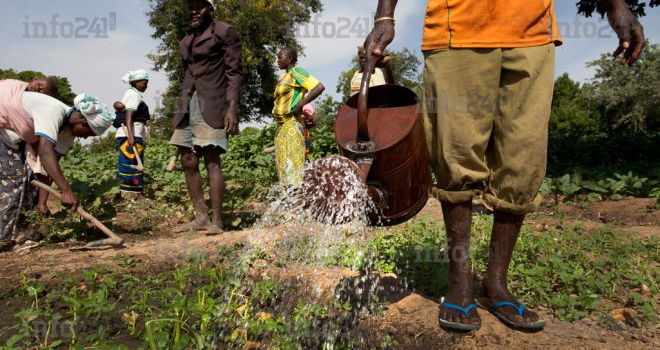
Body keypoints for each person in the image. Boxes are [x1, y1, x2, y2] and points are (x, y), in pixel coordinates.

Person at [363, 0, 644, 331]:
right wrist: (385, 16)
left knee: (524, 158)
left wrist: (616, 4)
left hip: (533, 32)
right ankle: (460, 283)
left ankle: (496, 284)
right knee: (457, 153)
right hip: (457, 28)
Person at [0, 87, 114, 243]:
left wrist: (42, 202)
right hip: (3, 127)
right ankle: (4, 238)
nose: (86, 137)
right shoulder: (53, 111)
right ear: (83, 122)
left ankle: (21, 231)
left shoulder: (67, 134)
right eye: (88, 133)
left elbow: (50, 168)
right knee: (15, 182)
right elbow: (45, 152)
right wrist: (66, 190)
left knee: (28, 181)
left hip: (12, 137)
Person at [170, 0, 243, 235]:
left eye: (199, 6)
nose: (194, 11)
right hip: (188, 103)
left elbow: (234, 72)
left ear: (210, 9)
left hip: (213, 102)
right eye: (190, 7)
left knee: (211, 158)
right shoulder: (186, 41)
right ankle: (201, 217)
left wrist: (232, 108)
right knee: (187, 160)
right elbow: (189, 75)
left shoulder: (224, 32)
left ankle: (217, 221)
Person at [272, 47, 325, 187]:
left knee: (293, 169)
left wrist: (300, 105)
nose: (277, 61)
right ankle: (288, 204)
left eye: (280, 58)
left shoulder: (297, 71)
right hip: (281, 127)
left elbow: (318, 87)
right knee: (283, 168)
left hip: (291, 125)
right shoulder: (285, 76)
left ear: (289, 59)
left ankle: (298, 203)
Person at [113, 69, 150, 201]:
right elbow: (129, 115)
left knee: (131, 162)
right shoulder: (133, 94)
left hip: (132, 133)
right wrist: (130, 135)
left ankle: (127, 193)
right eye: (144, 83)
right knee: (129, 163)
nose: (146, 85)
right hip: (130, 134)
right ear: (136, 82)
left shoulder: (135, 94)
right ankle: (127, 194)